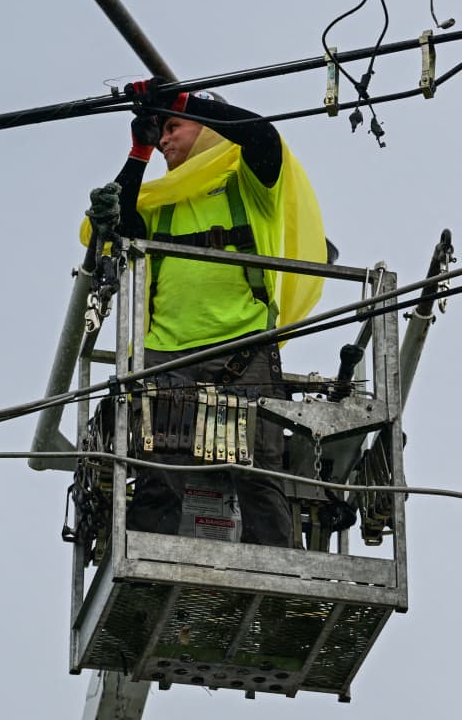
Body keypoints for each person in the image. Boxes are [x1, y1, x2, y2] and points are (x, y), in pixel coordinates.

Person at [86, 79, 328, 546]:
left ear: (207, 127)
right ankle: (147, 581)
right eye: (160, 135)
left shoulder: (248, 185)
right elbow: (123, 222)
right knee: (157, 473)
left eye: (173, 128)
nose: (164, 140)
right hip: (167, 356)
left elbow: (260, 136)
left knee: (257, 472)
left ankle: (277, 581)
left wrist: (181, 100)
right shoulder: (164, 202)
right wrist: (136, 152)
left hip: (241, 348)